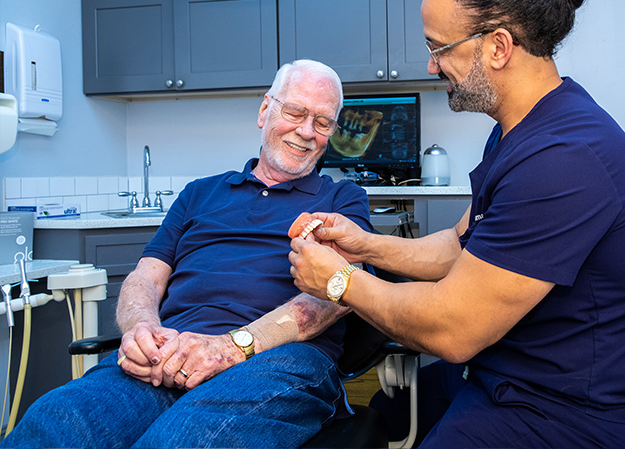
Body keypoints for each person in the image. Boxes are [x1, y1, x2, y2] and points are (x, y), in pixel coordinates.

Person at [288, 0, 625, 448]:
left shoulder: (566, 159)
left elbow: (452, 329)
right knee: (385, 410)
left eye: (440, 47)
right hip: (504, 370)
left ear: (497, 46)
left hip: (565, 412)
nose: (431, 65)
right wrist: (364, 246)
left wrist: (338, 280)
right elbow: (461, 244)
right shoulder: (516, 131)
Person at [1, 60, 371, 449]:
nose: (307, 132)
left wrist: (230, 347)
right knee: (54, 423)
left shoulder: (342, 199)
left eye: (323, 122)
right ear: (265, 111)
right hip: (170, 350)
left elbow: (338, 292)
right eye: (295, 112)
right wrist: (141, 331)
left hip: (279, 359)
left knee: (181, 440)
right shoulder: (199, 193)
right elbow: (146, 277)